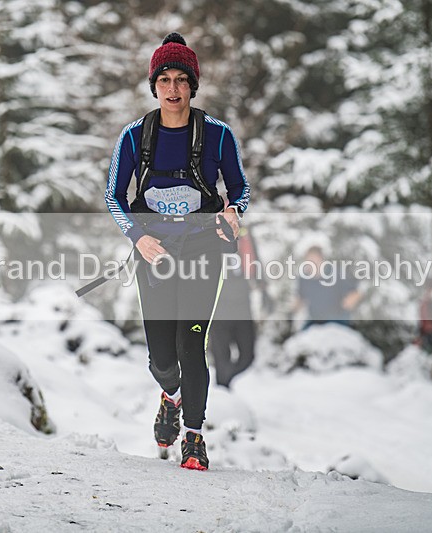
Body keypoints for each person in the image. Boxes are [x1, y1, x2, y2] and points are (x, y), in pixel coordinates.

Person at [105, 32, 250, 471]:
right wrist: (138, 237)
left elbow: (240, 189)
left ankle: (194, 437)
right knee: (162, 358)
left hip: (204, 248)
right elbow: (114, 196)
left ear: (192, 86)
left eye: (181, 79)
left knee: (192, 344)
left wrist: (233, 212)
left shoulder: (218, 135)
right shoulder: (134, 136)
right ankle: (170, 396)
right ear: (154, 86)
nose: (173, 88)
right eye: (164, 79)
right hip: (154, 251)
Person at [208, 226, 267, 388]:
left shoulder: (244, 233)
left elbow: (255, 259)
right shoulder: (210, 233)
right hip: (218, 308)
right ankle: (223, 390)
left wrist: (262, 286)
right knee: (221, 357)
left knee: (247, 357)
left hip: (243, 307)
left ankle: (226, 382)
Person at [295, 245, 360, 329]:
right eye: (309, 261)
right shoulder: (304, 279)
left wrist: (352, 299)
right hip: (315, 320)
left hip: (337, 320)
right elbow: (300, 298)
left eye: (314, 260)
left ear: (321, 259)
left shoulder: (337, 273)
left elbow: (356, 292)